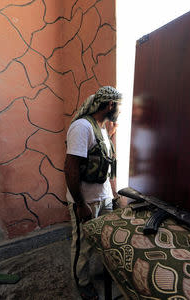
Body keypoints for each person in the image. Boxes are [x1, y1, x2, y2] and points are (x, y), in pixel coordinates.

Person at [64, 86, 122, 300]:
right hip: (86, 200)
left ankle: (99, 273)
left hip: (103, 197)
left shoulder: (102, 129)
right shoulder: (82, 128)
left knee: (105, 239)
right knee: (83, 245)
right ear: (109, 105)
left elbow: (104, 161)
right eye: (119, 106)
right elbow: (70, 168)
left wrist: (112, 196)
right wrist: (80, 203)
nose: (120, 111)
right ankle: (82, 282)